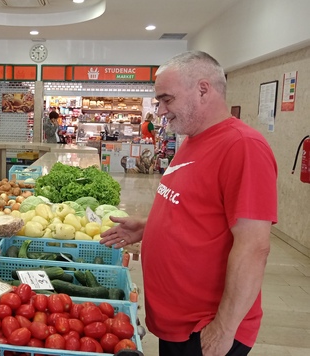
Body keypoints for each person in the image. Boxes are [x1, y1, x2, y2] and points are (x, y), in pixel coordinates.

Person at [100, 51, 277, 356]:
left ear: (203, 89)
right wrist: (147, 226)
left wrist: (223, 328)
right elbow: (195, 211)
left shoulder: (242, 147)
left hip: (204, 328)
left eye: (167, 99)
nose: (161, 110)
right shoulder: (194, 139)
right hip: (178, 324)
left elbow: (254, 247)